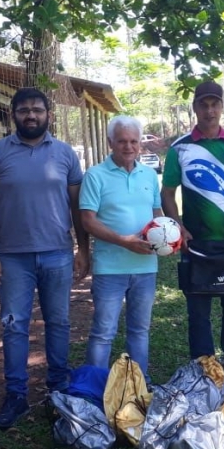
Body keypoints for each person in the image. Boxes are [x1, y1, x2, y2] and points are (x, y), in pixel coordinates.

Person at [0, 87, 90, 430]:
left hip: (57, 252)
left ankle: (58, 388)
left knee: (59, 323)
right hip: (11, 257)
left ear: (48, 115)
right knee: (13, 326)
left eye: (37, 110)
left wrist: (84, 248)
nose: (31, 115)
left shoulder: (66, 154)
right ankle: (16, 395)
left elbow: (76, 205)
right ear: (14, 115)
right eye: (24, 110)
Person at [160, 81, 224, 385]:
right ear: (194, 108)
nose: (209, 110)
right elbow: (167, 192)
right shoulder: (180, 147)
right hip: (197, 245)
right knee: (198, 315)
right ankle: (203, 373)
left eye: (214, 104)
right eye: (203, 104)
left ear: (221, 107)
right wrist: (178, 225)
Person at [79, 116, 162, 377]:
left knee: (140, 330)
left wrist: (168, 236)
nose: (129, 147)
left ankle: (139, 386)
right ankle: (94, 390)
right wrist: (124, 241)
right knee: (104, 333)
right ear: (110, 143)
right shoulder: (95, 175)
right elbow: (87, 221)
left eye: (134, 141)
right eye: (122, 141)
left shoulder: (149, 174)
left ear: (140, 144)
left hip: (146, 266)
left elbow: (156, 211)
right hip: (110, 268)